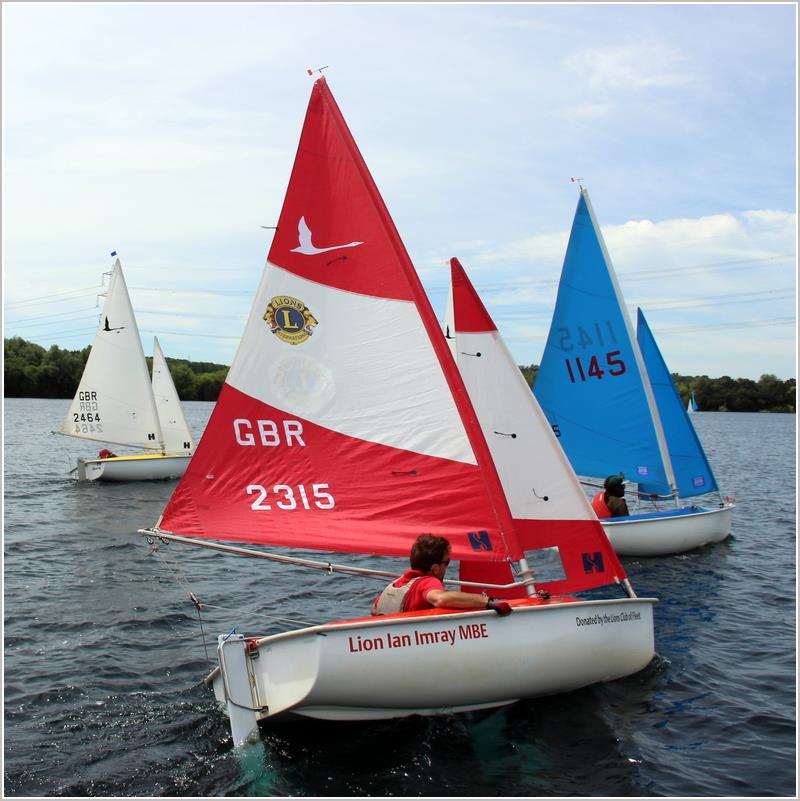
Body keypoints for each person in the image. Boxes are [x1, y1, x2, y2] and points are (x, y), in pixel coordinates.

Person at [371, 534, 512, 616]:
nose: (447, 566)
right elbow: (440, 599)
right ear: (436, 568)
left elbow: (374, 610)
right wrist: (487, 602)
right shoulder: (427, 582)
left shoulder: (396, 584)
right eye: (447, 562)